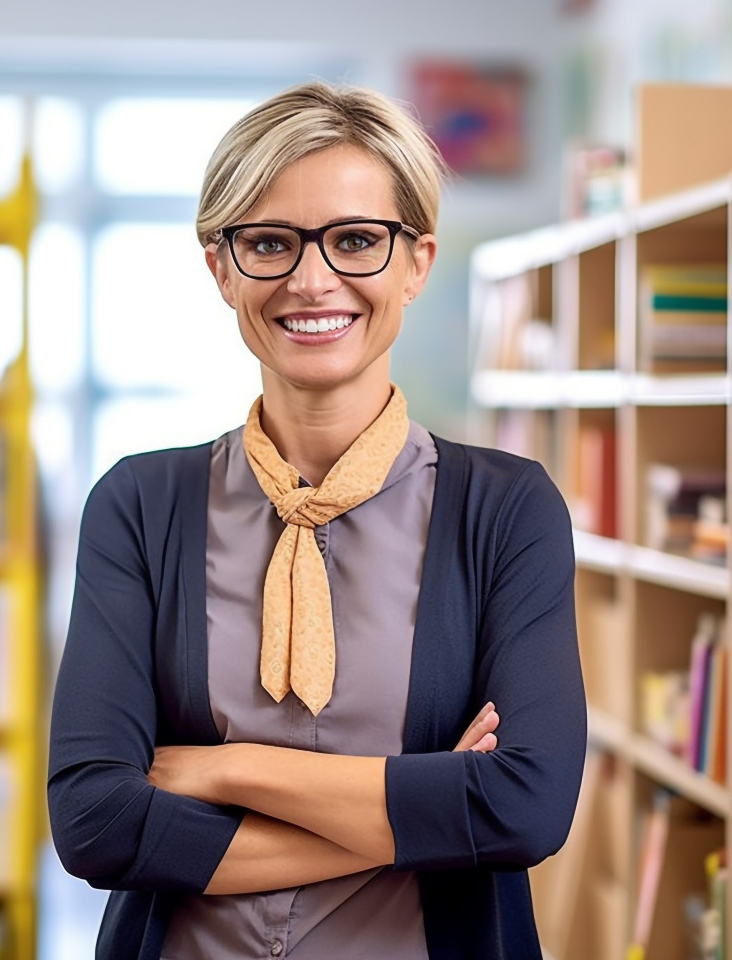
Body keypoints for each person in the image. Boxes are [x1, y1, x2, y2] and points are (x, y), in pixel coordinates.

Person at [48, 81, 587, 960]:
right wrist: (426, 807)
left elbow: (523, 808)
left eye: (356, 241)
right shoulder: (139, 507)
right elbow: (96, 824)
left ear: (415, 263)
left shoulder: (508, 511)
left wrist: (223, 768)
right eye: (268, 242)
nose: (311, 278)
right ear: (221, 268)